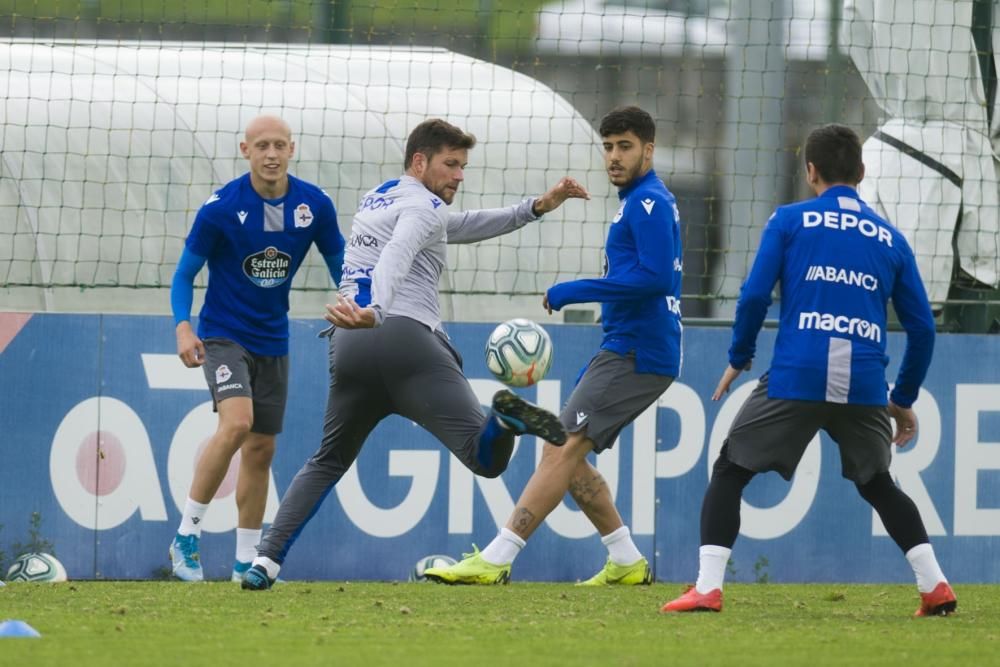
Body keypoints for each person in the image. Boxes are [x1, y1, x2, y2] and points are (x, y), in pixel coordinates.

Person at [241, 118, 588, 590]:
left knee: (326, 460)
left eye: (463, 166)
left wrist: (536, 207)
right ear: (419, 161)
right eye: (451, 164)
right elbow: (399, 253)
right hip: (403, 339)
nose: (459, 175)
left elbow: (461, 225)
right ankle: (503, 420)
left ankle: (265, 563)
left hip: (351, 347)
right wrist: (377, 309)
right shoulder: (424, 209)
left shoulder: (382, 195)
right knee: (486, 460)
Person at [661, 124, 957, 617]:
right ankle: (935, 587)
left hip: (796, 376)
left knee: (730, 469)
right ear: (861, 173)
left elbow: (754, 294)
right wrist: (901, 398)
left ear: (810, 171)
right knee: (879, 483)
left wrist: (739, 356)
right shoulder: (891, 239)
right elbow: (923, 330)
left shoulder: (789, 220)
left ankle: (708, 589)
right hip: (863, 382)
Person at [424, 106, 683, 586]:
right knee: (565, 450)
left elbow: (655, 278)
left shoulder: (648, 203)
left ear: (649, 149)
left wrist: (576, 289)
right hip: (626, 345)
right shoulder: (639, 201)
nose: (613, 157)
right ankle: (626, 560)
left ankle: (498, 557)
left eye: (624, 146)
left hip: (638, 350)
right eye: (608, 147)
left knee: (559, 450)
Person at [169, 115, 346, 582]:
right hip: (224, 333)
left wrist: (359, 304)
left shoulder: (315, 205)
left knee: (262, 447)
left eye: (279, 145)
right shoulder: (221, 208)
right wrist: (184, 328)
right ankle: (186, 536)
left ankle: (246, 558)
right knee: (238, 424)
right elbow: (185, 274)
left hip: (274, 337)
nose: (271, 154)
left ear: (293, 149)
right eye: (262, 145)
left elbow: (341, 265)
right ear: (244, 150)